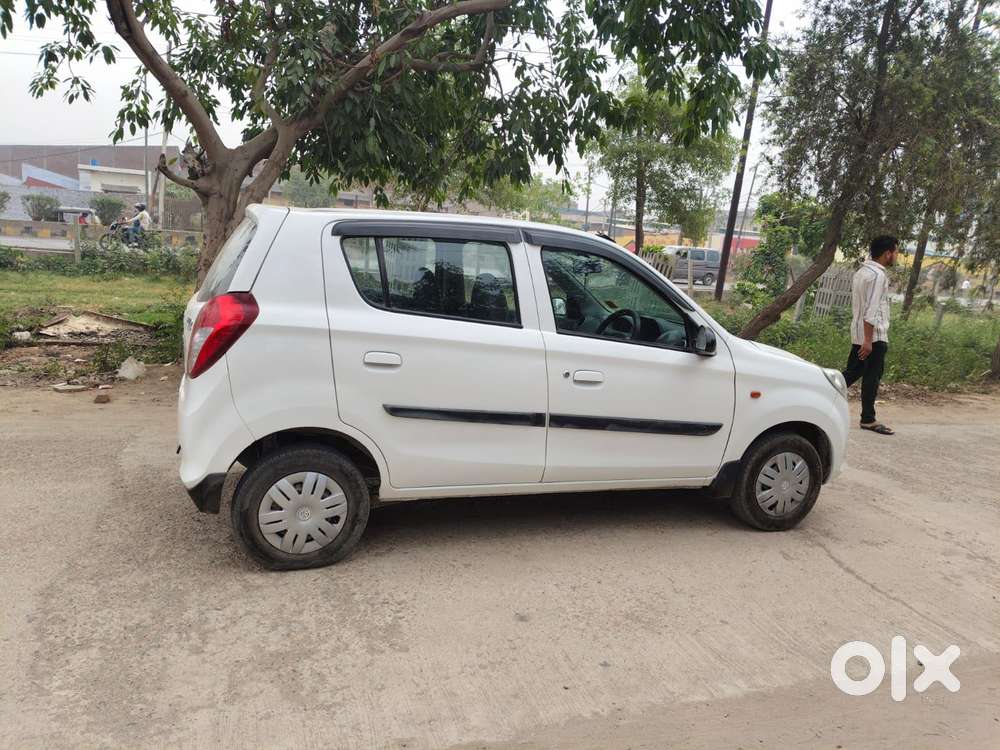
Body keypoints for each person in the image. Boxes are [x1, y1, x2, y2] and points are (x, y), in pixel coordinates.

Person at [842, 235, 899, 435]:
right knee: (871, 377)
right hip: (873, 337)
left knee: (852, 373)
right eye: (896, 252)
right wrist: (868, 341)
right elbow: (871, 310)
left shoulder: (862, 272)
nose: (896, 256)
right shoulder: (878, 276)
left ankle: (816, 395)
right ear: (887, 253)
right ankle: (868, 419)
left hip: (859, 333)